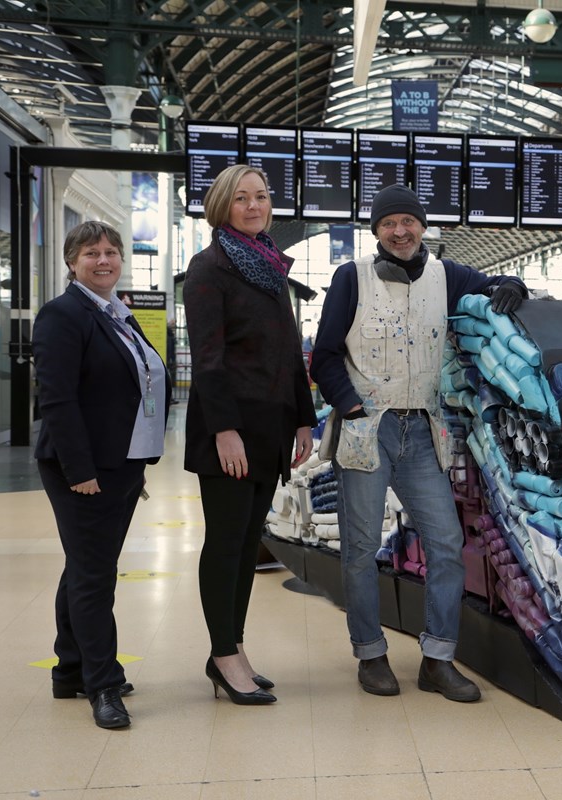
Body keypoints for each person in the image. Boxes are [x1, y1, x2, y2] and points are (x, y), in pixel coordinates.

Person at [310, 184, 528, 702]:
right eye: (390, 224)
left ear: (422, 226)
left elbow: (495, 284)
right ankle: (370, 653)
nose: (401, 231)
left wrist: (513, 283)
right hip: (368, 432)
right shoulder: (351, 277)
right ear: (376, 232)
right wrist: (352, 406)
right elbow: (323, 356)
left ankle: (438, 658)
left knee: (447, 544)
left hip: (424, 432)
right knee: (360, 549)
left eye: (409, 221)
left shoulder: (447, 276)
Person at [184, 164, 316, 705]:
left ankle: (231, 650)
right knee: (225, 544)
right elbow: (208, 359)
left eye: (261, 196)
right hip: (231, 434)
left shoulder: (268, 265)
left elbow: (289, 348)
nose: (254, 205)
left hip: (269, 429)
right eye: (241, 198)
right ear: (222, 206)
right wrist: (225, 431)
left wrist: (303, 416)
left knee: (246, 546)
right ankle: (223, 654)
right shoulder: (208, 267)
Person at [33, 221, 168, 729]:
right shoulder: (62, 314)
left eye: (111, 251)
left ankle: (70, 669)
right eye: (92, 253)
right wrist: (81, 471)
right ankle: (103, 685)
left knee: (85, 566)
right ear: (72, 261)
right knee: (94, 575)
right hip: (84, 469)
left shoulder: (116, 314)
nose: (104, 260)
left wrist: (134, 458)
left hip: (121, 465)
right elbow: (58, 399)